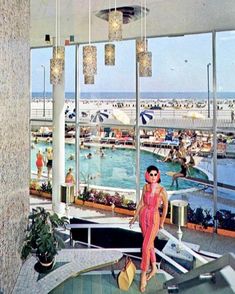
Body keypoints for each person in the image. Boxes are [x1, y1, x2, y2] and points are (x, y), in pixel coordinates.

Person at [129, 165, 168, 293]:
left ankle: (143, 276)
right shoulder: (145, 187)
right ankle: (154, 267)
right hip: (143, 218)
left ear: (158, 175)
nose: (153, 177)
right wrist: (135, 217)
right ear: (147, 175)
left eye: (155, 174)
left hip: (154, 219)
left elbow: (165, 208)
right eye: (150, 174)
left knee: (145, 247)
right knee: (149, 244)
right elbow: (141, 203)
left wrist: (162, 222)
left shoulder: (162, 190)